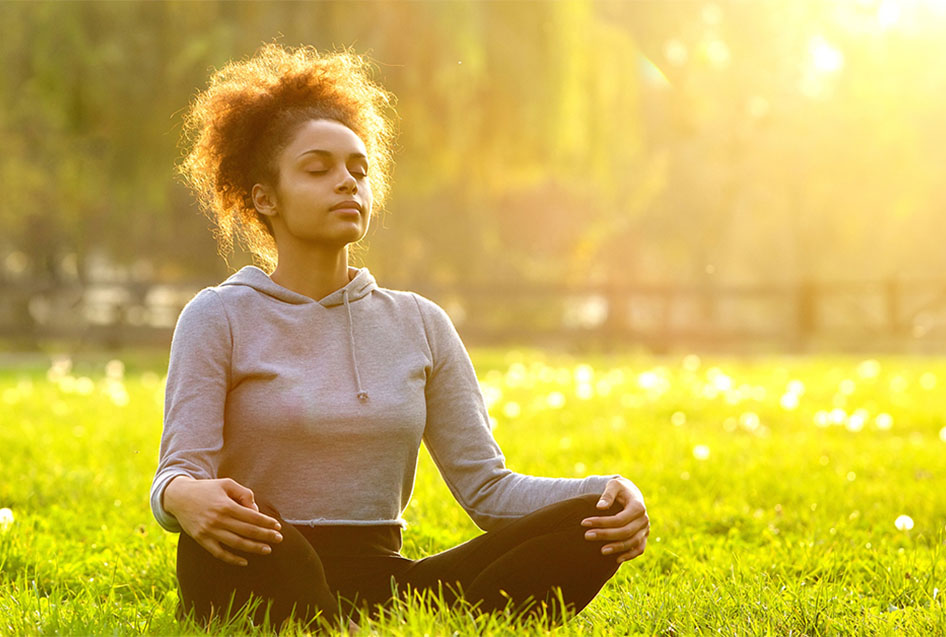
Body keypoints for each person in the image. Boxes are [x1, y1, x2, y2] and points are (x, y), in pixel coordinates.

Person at [150, 43, 649, 633]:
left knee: (593, 524)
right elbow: (178, 472)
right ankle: (326, 621)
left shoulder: (420, 322)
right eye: (319, 169)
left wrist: (611, 493)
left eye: (358, 170)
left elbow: (487, 489)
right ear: (265, 197)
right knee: (265, 542)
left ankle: (340, 625)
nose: (347, 183)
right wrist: (183, 498)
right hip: (259, 559)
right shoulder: (218, 316)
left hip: (383, 581)